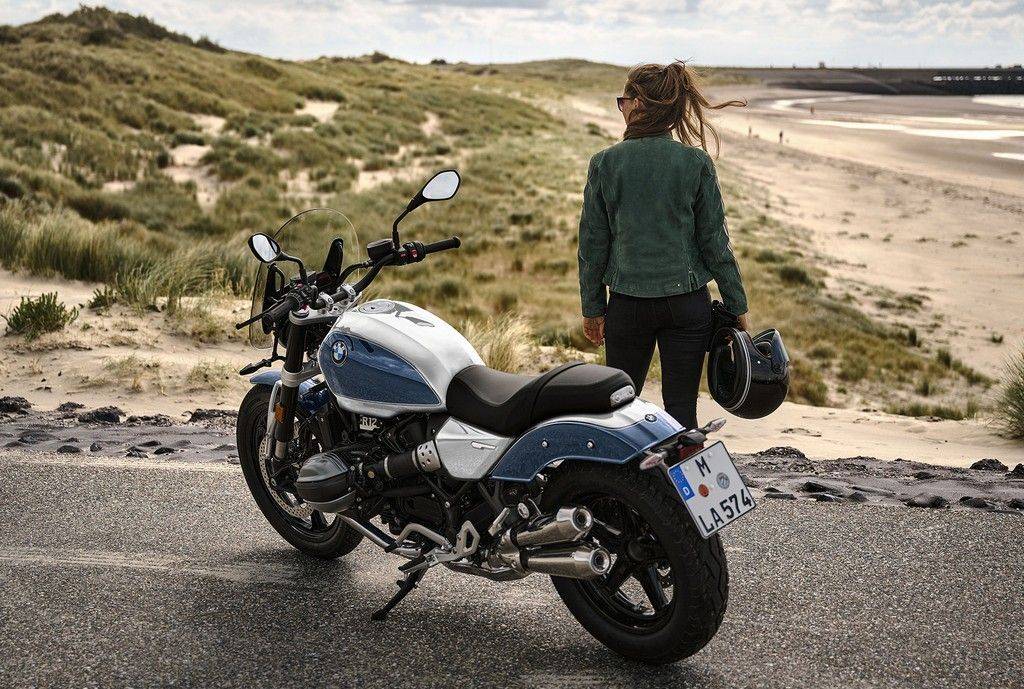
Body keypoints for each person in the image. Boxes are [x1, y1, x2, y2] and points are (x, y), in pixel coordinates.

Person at [577, 61, 750, 430]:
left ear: (638, 104)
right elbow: (715, 243)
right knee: (682, 412)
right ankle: (681, 470)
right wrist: (737, 305)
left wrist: (593, 308)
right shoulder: (695, 162)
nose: (622, 109)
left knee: (620, 411)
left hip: (627, 305)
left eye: (623, 101)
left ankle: (628, 470)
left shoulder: (605, 163)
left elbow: (593, 245)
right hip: (687, 306)